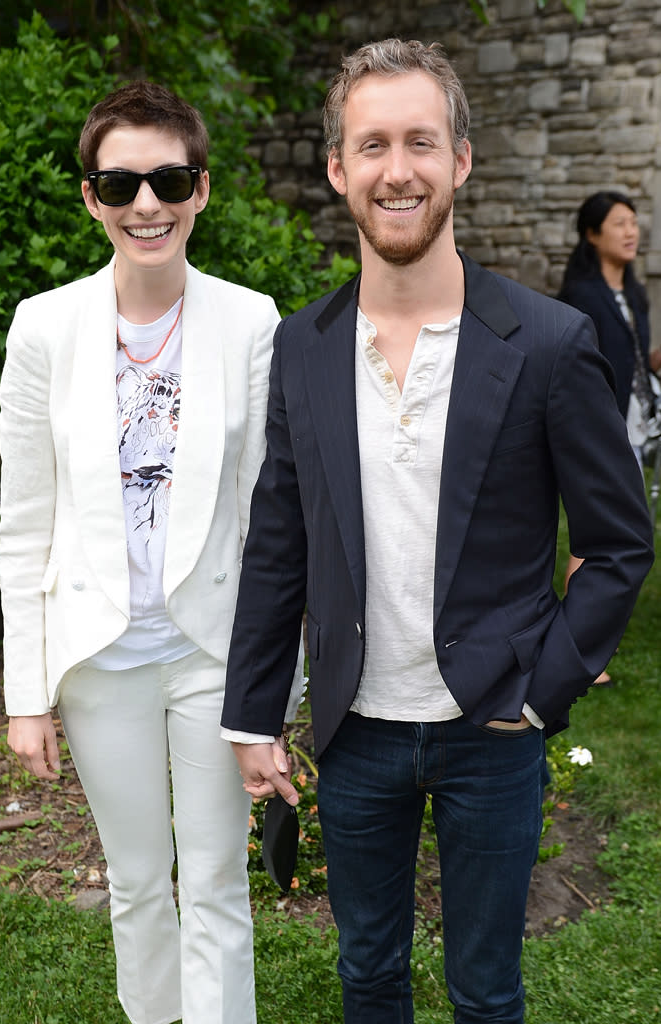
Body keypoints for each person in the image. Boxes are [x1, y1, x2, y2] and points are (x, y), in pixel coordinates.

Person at [220, 38, 655, 1024]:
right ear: (339, 168)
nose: (397, 168)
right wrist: (254, 713)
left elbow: (620, 540)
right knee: (366, 975)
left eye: (421, 141)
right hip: (355, 728)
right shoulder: (303, 343)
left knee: (486, 990)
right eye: (372, 145)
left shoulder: (547, 343)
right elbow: (279, 538)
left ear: (459, 159)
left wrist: (541, 690)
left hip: (492, 725)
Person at [0, 80, 302, 1024]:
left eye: (169, 180)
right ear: (91, 196)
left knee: (215, 887)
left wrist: (271, 691)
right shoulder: (43, 327)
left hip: (210, 655)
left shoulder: (250, 321)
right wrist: (27, 694)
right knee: (135, 886)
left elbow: (270, 523)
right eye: (121, 184)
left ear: (201, 189)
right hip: (98, 662)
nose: (147, 205)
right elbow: (26, 523)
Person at [558, 190, 660, 685]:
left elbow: (632, 358)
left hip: (635, 421)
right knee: (595, 534)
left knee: (619, 533)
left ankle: (587, 638)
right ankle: (578, 647)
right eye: (619, 223)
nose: (631, 231)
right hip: (599, 428)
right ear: (592, 234)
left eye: (634, 222)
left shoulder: (632, 292)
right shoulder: (582, 296)